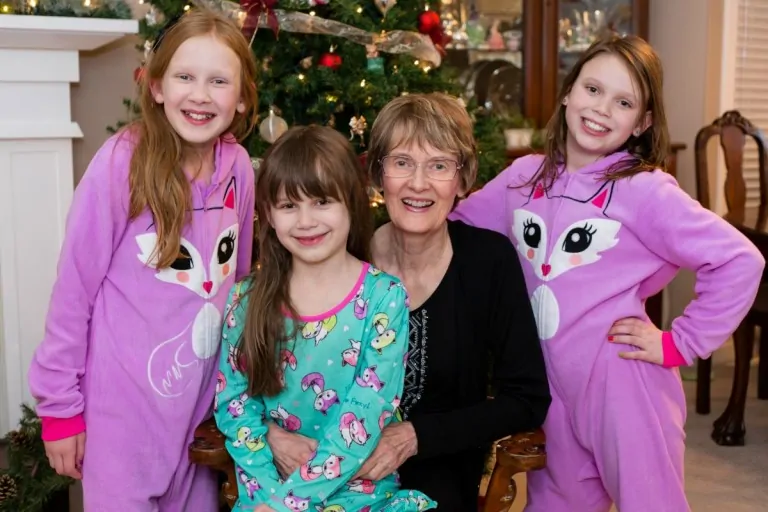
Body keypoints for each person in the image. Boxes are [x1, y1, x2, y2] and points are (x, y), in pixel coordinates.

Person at [450, 35, 766, 512]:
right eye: (593, 90)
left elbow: (740, 259)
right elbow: (455, 227)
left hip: (623, 384)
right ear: (568, 91)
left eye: (623, 102)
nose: (601, 109)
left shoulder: (645, 190)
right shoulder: (523, 178)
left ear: (642, 122)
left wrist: (678, 342)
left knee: (649, 503)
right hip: (549, 386)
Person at [264, 94, 552, 511]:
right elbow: (265, 373)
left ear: (463, 179)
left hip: (438, 475)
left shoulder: (488, 262)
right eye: (402, 163)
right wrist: (272, 435)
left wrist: (416, 436)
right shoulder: (342, 251)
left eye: (439, 166)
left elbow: (527, 399)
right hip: (324, 473)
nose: (419, 183)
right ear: (379, 174)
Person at [27, 8, 258, 511]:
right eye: (184, 77)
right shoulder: (121, 162)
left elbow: (236, 285)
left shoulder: (238, 167)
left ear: (240, 98)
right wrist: (61, 410)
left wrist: (233, 397)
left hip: (199, 417)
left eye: (219, 81)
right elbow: (74, 291)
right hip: (122, 419)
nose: (200, 94)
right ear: (156, 86)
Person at [214, 125, 437, 512]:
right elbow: (235, 407)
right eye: (288, 206)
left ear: (352, 201)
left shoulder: (384, 299)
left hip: (361, 497)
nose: (305, 221)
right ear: (268, 213)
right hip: (265, 497)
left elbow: (365, 413)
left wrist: (291, 503)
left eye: (321, 202)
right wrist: (270, 499)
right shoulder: (245, 301)